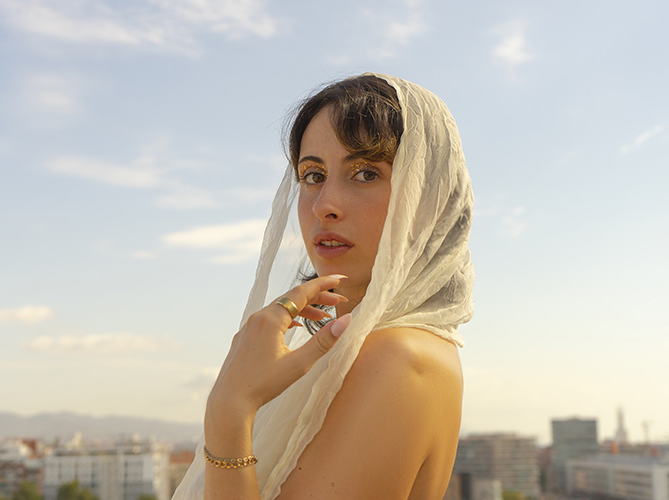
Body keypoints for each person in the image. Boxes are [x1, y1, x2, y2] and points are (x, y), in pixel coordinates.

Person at [173, 73, 474, 500]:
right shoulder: (364, 349)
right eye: (313, 174)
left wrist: (229, 411)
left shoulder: (398, 357)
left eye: (365, 173)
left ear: (430, 201)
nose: (324, 205)